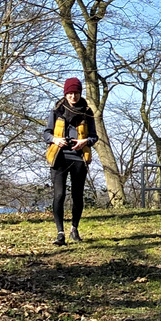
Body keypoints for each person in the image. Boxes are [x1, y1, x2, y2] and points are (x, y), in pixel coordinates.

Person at [45, 77, 98, 245]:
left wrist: (84, 142)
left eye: (76, 93)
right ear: (65, 94)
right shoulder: (57, 111)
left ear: (80, 93)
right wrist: (55, 140)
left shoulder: (87, 112)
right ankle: (60, 233)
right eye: (70, 93)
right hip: (59, 157)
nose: (73, 96)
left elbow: (94, 136)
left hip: (79, 158)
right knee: (59, 195)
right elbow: (46, 133)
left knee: (77, 196)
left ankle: (74, 229)